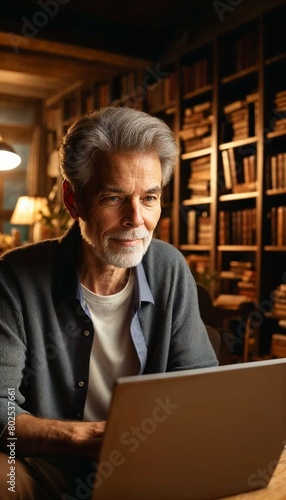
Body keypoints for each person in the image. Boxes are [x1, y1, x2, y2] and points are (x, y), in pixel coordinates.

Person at [0, 106, 218, 499]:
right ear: (73, 199)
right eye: (113, 198)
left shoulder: (169, 267)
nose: (135, 219)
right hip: (48, 467)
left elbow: (201, 390)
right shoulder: (15, 277)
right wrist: (87, 438)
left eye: (149, 197)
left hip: (151, 466)